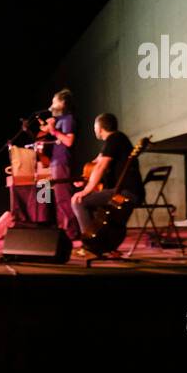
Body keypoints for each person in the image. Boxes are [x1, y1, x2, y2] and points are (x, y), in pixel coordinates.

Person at [71, 112, 146, 255]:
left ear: (99, 128)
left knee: (78, 201)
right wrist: (84, 179)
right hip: (127, 190)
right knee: (91, 203)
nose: (94, 130)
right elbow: (96, 162)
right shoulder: (116, 140)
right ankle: (102, 244)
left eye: (94, 127)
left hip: (125, 192)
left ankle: (91, 245)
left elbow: (101, 166)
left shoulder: (114, 139)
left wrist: (86, 190)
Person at [37, 88, 81, 240]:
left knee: (64, 199)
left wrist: (54, 131)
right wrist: (49, 128)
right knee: (59, 199)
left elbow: (68, 141)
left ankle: (72, 233)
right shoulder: (61, 119)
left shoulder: (69, 119)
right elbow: (51, 133)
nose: (51, 105)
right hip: (57, 162)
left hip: (63, 162)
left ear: (62, 103)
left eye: (54, 101)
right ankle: (65, 230)